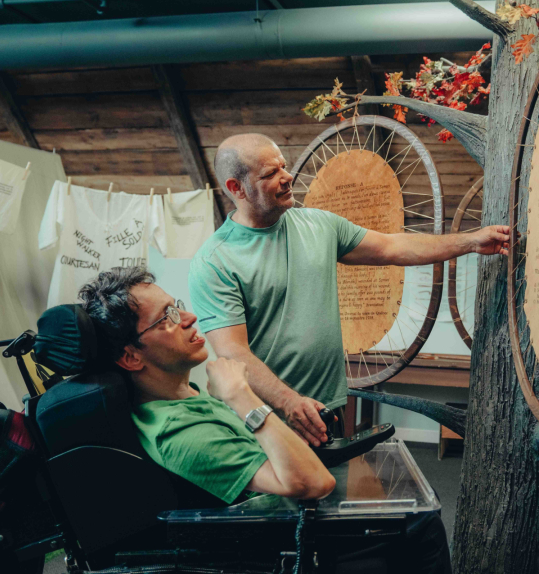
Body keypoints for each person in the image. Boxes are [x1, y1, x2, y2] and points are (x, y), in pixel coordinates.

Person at [78, 267, 452, 573]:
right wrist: (239, 394)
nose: (189, 318)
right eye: (167, 318)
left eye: (177, 306)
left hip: (285, 508)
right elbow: (314, 483)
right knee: (419, 522)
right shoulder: (177, 432)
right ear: (131, 357)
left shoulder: (187, 396)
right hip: (279, 537)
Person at [189, 133, 510, 446]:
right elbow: (233, 352)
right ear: (236, 188)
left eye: (283, 166)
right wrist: (289, 402)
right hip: (263, 417)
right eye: (271, 173)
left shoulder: (319, 225)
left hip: (326, 406)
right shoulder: (216, 260)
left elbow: (392, 247)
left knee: (333, 482)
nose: (287, 177)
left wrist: (471, 241)